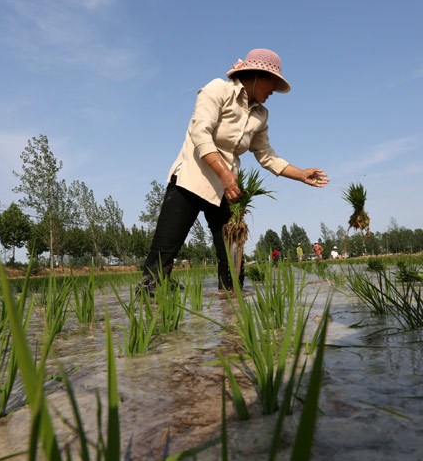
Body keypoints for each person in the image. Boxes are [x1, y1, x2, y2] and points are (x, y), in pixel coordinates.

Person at [138, 49, 329, 293]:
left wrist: (300, 174)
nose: (274, 90)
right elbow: (200, 133)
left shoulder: (260, 114)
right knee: (160, 261)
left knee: (233, 264)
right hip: (191, 180)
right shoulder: (219, 90)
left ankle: (231, 319)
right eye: (273, 83)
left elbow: (266, 155)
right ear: (259, 75)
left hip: (225, 191)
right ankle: (151, 311)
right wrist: (224, 173)